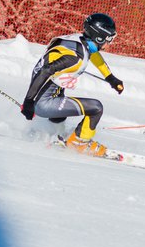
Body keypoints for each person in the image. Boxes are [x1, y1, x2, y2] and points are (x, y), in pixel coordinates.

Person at [20, 13, 124, 157]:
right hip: (44, 102)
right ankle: (80, 143)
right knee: (96, 108)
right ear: (98, 37)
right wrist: (29, 102)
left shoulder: (78, 40)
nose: (109, 43)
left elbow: (93, 55)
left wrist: (110, 78)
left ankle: (51, 135)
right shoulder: (75, 59)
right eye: (108, 40)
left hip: (48, 93)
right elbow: (45, 71)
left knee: (60, 114)